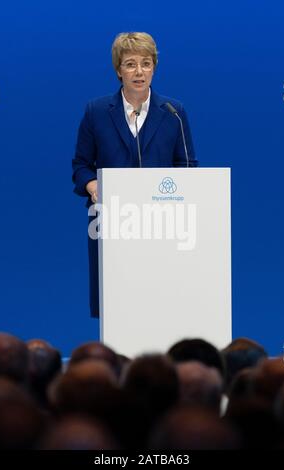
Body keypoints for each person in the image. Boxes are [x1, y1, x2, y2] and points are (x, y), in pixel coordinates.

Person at [72, 32, 198, 317]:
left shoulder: (173, 112)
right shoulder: (97, 112)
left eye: (146, 63)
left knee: (161, 304)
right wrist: (92, 185)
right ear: (119, 70)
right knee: (117, 307)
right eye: (130, 64)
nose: (139, 71)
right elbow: (80, 165)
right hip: (114, 221)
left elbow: (188, 166)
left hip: (163, 223)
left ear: (154, 67)